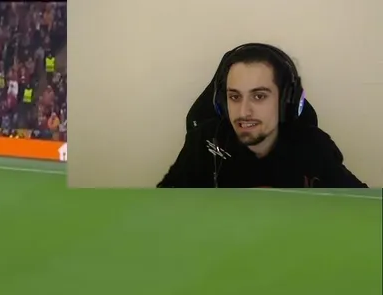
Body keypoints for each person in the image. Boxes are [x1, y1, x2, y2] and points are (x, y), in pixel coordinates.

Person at [157, 44, 367, 188]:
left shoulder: (314, 146)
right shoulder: (203, 142)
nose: (243, 112)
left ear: (287, 101)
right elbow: (164, 207)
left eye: (259, 96)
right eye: (234, 97)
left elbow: (363, 205)